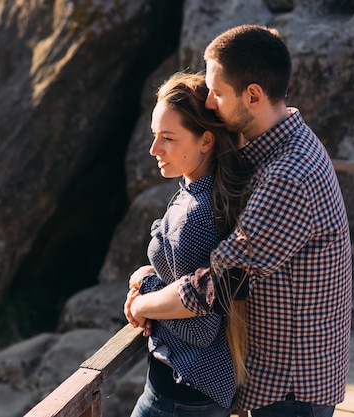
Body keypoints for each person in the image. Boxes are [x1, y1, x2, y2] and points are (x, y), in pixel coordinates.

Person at [125, 24, 352, 417]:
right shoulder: (278, 145)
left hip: (291, 386)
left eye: (217, 93)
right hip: (280, 375)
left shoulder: (288, 175)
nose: (209, 103)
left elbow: (217, 285)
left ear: (253, 95)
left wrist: (145, 299)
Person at [127, 71, 253, 417]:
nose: (155, 149)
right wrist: (151, 273)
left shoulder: (197, 215)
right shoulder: (211, 191)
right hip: (200, 390)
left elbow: (201, 324)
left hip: (181, 395)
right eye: (155, 136)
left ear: (206, 141)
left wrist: (145, 290)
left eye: (168, 138)